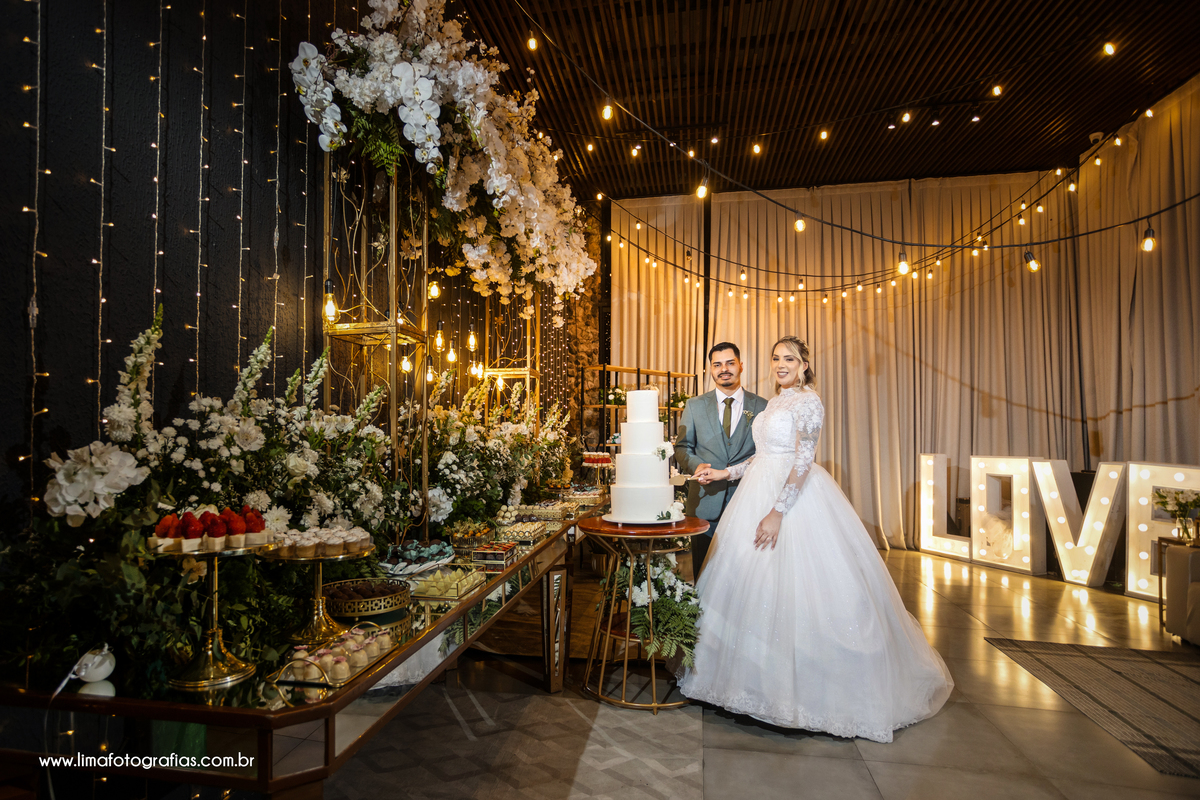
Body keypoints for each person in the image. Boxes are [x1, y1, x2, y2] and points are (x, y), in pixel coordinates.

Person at [678, 336, 953, 743]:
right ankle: (745, 684)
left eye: (789, 359)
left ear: (805, 364)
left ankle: (804, 693)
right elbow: (763, 456)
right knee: (744, 587)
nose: (781, 365)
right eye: (776, 359)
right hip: (758, 486)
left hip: (791, 499)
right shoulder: (775, 402)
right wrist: (725, 474)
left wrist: (777, 511)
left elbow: (803, 460)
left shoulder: (809, 402)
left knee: (802, 590)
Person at [673, 342, 768, 578]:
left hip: (749, 501)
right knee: (705, 573)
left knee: (745, 575)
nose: (724, 369)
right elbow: (683, 447)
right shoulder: (694, 406)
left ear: (741, 366)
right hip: (705, 504)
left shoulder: (762, 406)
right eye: (717, 364)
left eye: (730, 363)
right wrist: (697, 466)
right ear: (710, 370)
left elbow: (766, 453)